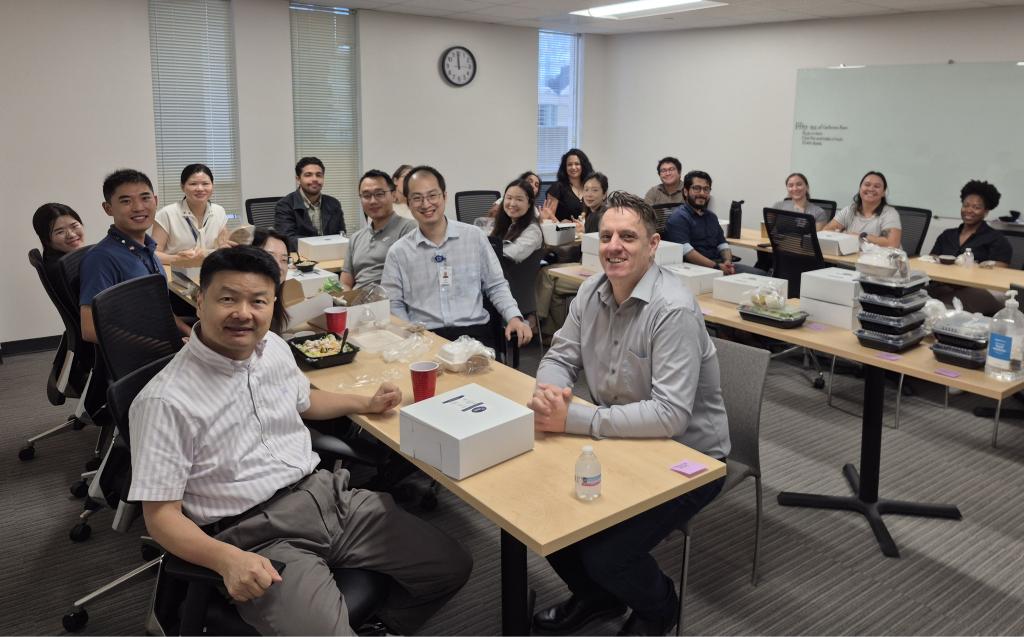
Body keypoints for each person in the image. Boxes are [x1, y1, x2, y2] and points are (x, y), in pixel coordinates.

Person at [127, 246, 471, 636]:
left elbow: (307, 401)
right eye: (228, 299)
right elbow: (161, 519)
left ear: (273, 304)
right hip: (257, 534)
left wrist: (367, 402)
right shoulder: (164, 401)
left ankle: (383, 626)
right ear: (200, 301)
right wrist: (226, 560)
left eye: (258, 301)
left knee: (451, 566)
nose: (244, 313)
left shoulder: (272, 347)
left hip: (330, 497)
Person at [529, 191, 729, 637]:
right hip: (620, 437)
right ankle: (598, 599)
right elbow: (561, 356)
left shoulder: (672, 308)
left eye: (628, 237)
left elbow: (670, 415)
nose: (614, 246)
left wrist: (573, 420)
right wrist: (550, 392)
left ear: (653, 245)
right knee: (546, 513)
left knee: (607, 554)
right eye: (607, 236)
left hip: (690, 457)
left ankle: (660, 609)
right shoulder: (590, 291)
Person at [381, 165, 532, 348]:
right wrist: (409, 334)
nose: (426, 204)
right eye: (417, 198)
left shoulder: (474, 237)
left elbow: (496, 285)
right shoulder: (399, 252)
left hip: (475, 334)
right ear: (409, 203)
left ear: (444, 196)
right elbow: (393, 303)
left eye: (432, 195)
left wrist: (514, 317)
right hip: (424, 337)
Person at [79, 169, 190, 343]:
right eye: (126, 201)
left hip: (164, 340)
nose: (138, 207)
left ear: (155, 200)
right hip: (143, 358)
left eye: (145, 198)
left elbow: (162, 309)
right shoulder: (101, 259)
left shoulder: (146, 248)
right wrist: (164, 346)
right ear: (108, 208)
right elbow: (90, 330)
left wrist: (191, 334)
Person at [926, 180, 1012, 315]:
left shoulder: (996, 239)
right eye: (966, 205)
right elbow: (931, 261)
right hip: (945, 286)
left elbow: (999, 273)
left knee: (936, 307)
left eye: (976, 207)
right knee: (914, 298)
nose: (969, 210)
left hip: (979, 290)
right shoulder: (947, 235)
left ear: (986, 212)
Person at [663, 170, 764, 275]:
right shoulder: (678, 217)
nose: (702, 193)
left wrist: (728, 262)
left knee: (763, 276)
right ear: (685, 191)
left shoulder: (711, 217)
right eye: (697, 188)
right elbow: (688, 253)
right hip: (695, 269)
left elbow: (722, 244)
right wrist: (717, 267)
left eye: (706, 189)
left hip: (719, 265)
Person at [341, 169, 416, 290]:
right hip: (356, 304)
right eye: (366, 195)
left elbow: (411, 280)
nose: (373, 201)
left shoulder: (408, 229)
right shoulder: (356, 238)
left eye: (379, 194)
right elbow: (345, 282)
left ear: (393, 195)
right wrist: (345, 302)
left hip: (387, 303)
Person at [152, 164, 231, 265]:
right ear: (182, 186)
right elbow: (153, 254)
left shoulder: (219, 211)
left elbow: (223, 244)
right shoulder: (167, 214)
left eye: (205, 183)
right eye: (193, 184)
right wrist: (177, 259)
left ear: (212, 185)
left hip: (210, 271)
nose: (200, 188)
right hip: (178, 273)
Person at [275, 157, 346, 252]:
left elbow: (341, 235)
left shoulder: (334, 204)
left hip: (331, 257)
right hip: (302, 259)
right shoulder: (285, 205)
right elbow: (287, 240)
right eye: (308, 175)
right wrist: (319, 247)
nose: (315, 179)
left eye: (319, 175)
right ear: (298, 179)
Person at [822, 171, 902, 248]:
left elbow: (892, 244)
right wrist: (845, 235)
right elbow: (825, 231)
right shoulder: (849, 210)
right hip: (851, 257)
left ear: (883, 193)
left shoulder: (890, 213)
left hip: (879, 260)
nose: (871, 189)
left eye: (877, 186)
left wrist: (860, 236)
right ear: (860, 189)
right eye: (867, 185)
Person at [32, 202, 86, 283]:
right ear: (46, 240)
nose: (71, 235)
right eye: (60, 232)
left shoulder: (53, 260)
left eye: (74, 226)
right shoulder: (67, 270)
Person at [492, 178, 543, 263]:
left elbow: (513, 254)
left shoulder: (532, 230)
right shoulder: (505, 224)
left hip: (509, 274)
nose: (512, 204)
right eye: (509, 198)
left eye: (519, 199)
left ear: (529, 204)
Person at [542, 149, 593, 222]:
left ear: (583, 166)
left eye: (577, 164)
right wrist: (561, 224)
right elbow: (548, 217)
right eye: (569, 164)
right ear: (565, 168)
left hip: (587, 232)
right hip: (563, 231)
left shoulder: (590, 188)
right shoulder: (557, 187)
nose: (573, 167)